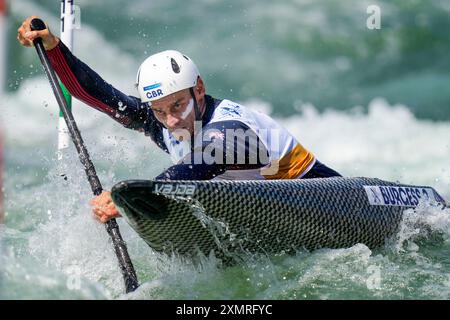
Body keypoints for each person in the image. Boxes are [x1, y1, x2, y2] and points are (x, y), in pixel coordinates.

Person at [17, 16, 341, 223]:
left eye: (177, 106)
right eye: (158, 111)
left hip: (330, 203)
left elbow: (201, 163)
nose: (170, 121)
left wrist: (134, 196)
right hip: (273, 215)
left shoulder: (232, 127)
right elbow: (98, 95)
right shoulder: (163, 120)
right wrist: (54, 48)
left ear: (199, 89)